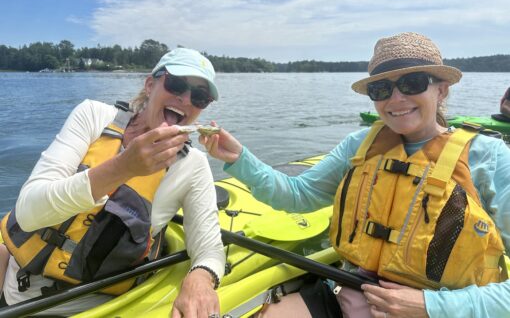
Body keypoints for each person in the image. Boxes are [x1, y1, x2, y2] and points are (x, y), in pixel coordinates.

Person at [201, 32, 510, 318]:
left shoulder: (490, 158)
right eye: (381, 89)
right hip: (354, 288)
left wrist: (432, 305)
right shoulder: (358, 145)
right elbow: (298, 195)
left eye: (412, 83)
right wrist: (240, 159)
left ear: (441, 90)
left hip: (449, 307)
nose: (396, 99)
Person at [0, 47, 225, 318]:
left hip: (93, 306)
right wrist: (122, 167)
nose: (186, 99)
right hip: (17, 284)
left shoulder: (193, 166)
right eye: (176, 84)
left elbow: (209, 248)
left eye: (200, 97)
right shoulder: (92, 115)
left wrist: (201, 277)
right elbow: (26, 213)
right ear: (150, 84)